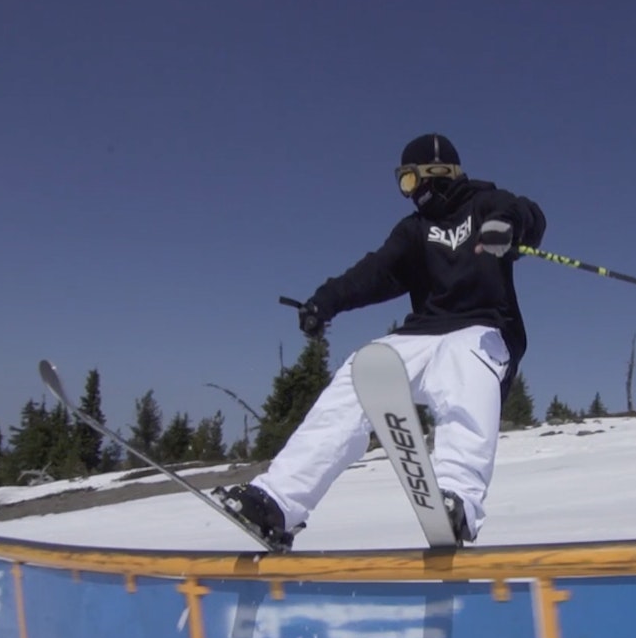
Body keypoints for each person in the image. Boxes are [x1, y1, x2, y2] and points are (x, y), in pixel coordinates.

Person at [218, 132, 546, 550]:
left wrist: (508, 228)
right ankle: (279, 502)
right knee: (362, 368)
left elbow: (528, 213)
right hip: (421, 334)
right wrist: (325, 302)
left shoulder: (485, 205)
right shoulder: (413, 232)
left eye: (409, 181)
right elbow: (375, 271)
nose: (408, 193)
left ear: (436, 172)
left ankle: (458, 499)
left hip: (482, 331)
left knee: (461, 363)